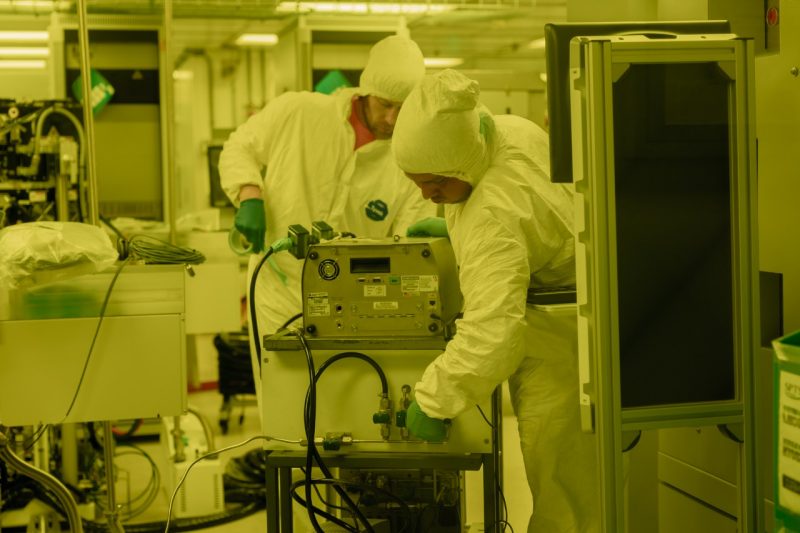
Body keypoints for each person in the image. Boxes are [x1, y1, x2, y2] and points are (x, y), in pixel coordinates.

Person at [393, 69, 600, 532]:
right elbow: (539, 208)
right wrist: (452, 222)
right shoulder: (506, 129)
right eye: (419, 183)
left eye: (437, 185)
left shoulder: (491, 217)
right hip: (583, 310)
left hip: (558, 340)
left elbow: (494, 334)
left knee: (567, 490)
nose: (428, 196)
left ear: (464, 163)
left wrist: (433, 400)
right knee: (590, 483)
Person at [218, 35, 436, 407]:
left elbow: (408, 242)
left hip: (350, 304)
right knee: (284, 405)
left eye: (403, 108)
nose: (392, 119)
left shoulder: (409, 158)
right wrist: (249, 194)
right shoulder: (300, 112)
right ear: (366, 91)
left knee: (344, 407)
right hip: (277, 288)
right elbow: (240, 147)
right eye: (385, 105)